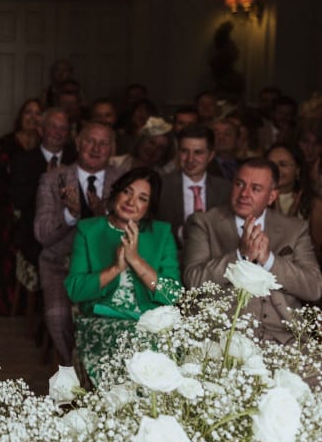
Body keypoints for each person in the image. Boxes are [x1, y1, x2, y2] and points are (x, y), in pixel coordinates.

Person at [183, 158, 322, 343]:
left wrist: (269, 259)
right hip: (223, 336)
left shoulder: (295, 229)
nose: (244, 194)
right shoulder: (203, 223)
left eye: (255, 188)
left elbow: (314, 288)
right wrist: (240, 255)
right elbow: (193, 280)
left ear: (272, 196)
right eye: (239, 184)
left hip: (284, 337)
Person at [65, 167, 180, 384]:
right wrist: (115, 269)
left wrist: (135, 260)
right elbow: (75, 290)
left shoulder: (161, 233)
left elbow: (172, 295)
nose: (131, 201)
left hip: (148, 322)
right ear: (116, 193)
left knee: (160, 349)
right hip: (102, 321)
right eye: (127, 192)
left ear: (149, 207)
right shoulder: (88, 230)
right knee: (134, 345)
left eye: (142, 198)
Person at [34, 122, 124, 365]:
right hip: (59, 265)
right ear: (77, 143)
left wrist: (102, 218)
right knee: (58, 315)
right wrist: (71, 214)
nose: (96, 148)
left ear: (112, 148)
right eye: (90, 141)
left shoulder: (123, 181)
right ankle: (72, 368)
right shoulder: (53, 179)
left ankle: (102, 369)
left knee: (117, 315)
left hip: (108, 266)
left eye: (103, 143)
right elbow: (41, 235)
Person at [0, 98, 44, 314]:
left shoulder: (46, 147)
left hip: (36, 205)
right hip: (5, 202)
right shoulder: (6, 142)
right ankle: (1, 295)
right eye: (28, 112)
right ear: (20, 116)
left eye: (37, 114)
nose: (32, 118)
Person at [158, 124, 230, 248]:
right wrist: (182, 233)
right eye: (184, 151)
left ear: (211, 155)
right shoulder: (161, 186)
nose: (190, 159)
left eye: (198, 152)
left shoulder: (226, 189)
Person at [266, 143, 322, 259]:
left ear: (297, 170)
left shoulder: (313, 203)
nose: (276, 170)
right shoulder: (255, 200)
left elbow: (317, 252)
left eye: (283, 164)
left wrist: (291, 222)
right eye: (271, 165)